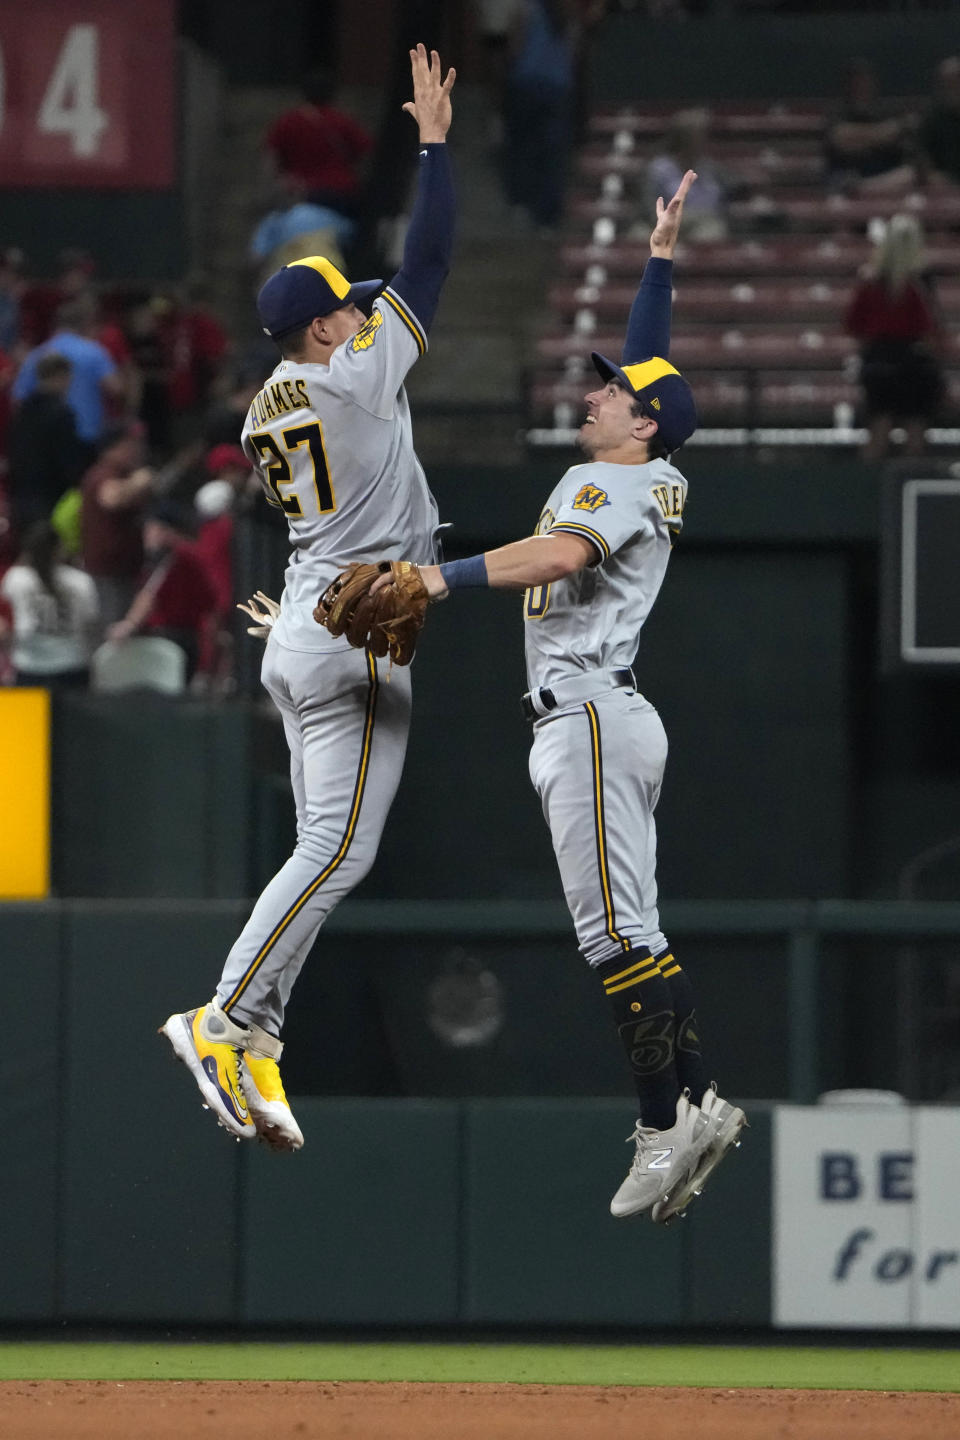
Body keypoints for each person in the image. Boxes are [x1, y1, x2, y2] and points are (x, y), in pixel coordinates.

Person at [368, 170, 744, 1224]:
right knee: (639, 933)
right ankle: (698, 1100)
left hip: (584, 713)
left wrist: (439, 579)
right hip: (608, 713)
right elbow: (653, 373)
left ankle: (664, 1121)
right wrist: (659, 261)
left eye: (610, 390)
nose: (592, 392)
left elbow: (561, 553)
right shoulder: (654, 466)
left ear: (641, 425)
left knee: (614, 938)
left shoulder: (609, 483)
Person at [160, 45, 457, 1153]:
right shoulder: (352, 373)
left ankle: (259, 1039)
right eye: (348, 310)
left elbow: (383, 301)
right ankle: (223, 1016)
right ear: (325, 327)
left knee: (316, 845)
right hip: (352, 633)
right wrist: (432, 146)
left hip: (301, 619)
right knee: (338, 853)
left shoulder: (263, 404)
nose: (362, 317)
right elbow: (426, 264)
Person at [845, 213, 944, 462]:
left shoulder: (869, 282)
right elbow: (928, 329)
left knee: (878, 431)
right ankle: (910, 488)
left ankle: (867, 494)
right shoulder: (918, 284)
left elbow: (853, 326)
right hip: (912, 363)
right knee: (914, 434)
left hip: (878, 361)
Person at [107, 501, 217, 680]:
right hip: (186, 636)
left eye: (151, 529)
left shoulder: (176, 557)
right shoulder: (187, 555)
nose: (146, 535)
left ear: (167, 531)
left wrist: (129, 625)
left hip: (173, 638)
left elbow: (150, 594)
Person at [11, 295, 126, 461]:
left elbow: (18, 400)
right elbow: (116, 388)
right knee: (78, 484)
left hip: (45, 439)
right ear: (85, 324)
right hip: (86, 436)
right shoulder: (94, 352)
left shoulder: (37, 355)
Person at [263, 65, 373, 221]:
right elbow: (367, 155)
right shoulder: (343, 121)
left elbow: (272, 161)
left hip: (303, 194)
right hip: (343, 192)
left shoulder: (287, 122)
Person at [0, 521, 99, 687]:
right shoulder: (81, 581)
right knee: (73, 714)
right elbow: (90, 624)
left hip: (29, 668)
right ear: (60, 549)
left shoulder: (16, 578)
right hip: (73, 667)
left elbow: (6, 624)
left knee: (25, 714)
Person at [80, 421, 154, 628]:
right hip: (108, 571)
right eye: (131, 445)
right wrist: (140, 481)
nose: (137, 450)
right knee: (113, 628)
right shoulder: (104, 473)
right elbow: (112, 498)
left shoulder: (123, 473)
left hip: (126, 568)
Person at [5, 352, 87, 535]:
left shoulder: (22, 411)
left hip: (21, 496)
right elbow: (68, 459)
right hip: (51, 498)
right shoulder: (62, 414)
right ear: (60, 376)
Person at [823, 58, 916, 195]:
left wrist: (859, 138)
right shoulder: (837, 112)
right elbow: (840, 138)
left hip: (885, 178)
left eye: (865, 80)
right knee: (843, 181)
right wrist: (881, 135)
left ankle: (863, 189)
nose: (861, 85)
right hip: (845, 177)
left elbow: (898, 135)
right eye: (856, 81)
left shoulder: (888, 111)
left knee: (909, 174)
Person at [643, 109, 730, 243]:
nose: (701, 140)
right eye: (695, 136)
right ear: (681, 138)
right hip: (663, 223)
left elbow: (722, 204)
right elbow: (649, 207)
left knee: (712, 233)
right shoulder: (659, 168)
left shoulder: (712, 168)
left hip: (704, 223)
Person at [917, 55, 960, 189]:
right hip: (943, 185)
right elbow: (924, 165)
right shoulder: (932, 120)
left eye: (956, 81)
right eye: (948, 83)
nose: (953, 88)